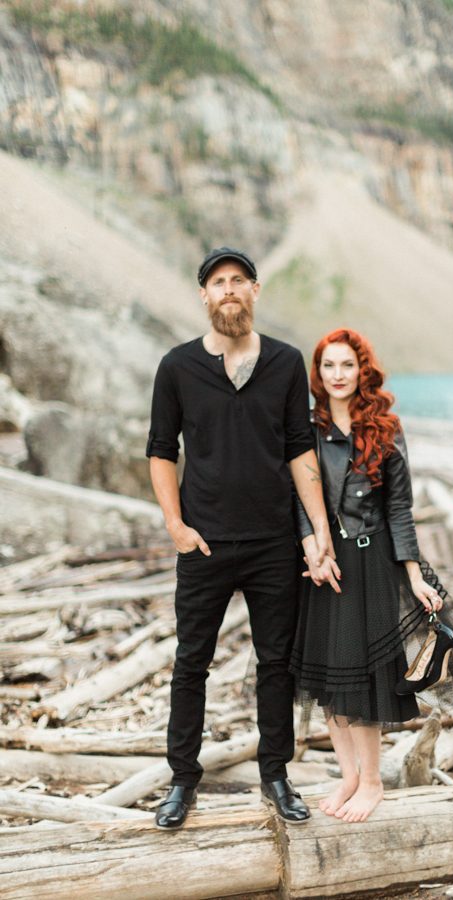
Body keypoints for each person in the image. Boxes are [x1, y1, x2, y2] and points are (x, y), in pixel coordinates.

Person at [146, 247, 338, 830]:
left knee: (276, 663)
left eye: (238, 281)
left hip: (272, 543)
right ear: (204, 296)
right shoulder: (177, 366)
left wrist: (319, 528)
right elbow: (160, 450)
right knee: (191, 664)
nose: (228, 289)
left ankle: (275, 776)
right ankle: (183, 782)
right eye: (217, 282)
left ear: (255, 291)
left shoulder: (284, 362)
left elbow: (299, 448)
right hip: (203, 544)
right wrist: (176, 526)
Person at [290, 328, 453, 823]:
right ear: (318, 374)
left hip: (372, 563)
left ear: (363, 371)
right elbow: (296, 495)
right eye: (328, 366)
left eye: (346, 365)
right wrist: (314, 551)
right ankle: (349, 777)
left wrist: (415, 573)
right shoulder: (306, 427)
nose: (337, 375)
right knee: (328, 679)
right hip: (323, 564)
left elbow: (399, 509)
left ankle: (374, 781)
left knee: (363, 679)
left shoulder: (384, 428)